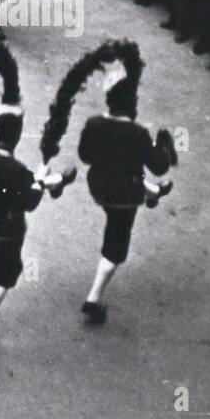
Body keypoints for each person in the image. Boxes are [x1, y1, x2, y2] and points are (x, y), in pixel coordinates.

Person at [0, 105, 75, 346]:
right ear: (18, 135)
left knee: (10, 264)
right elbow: (31, 202)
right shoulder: (17, 171)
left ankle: (58, 181)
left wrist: (37, 180)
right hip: (5, 227)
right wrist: (44, 179)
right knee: (7, 273)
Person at [76, 70, 176, 325]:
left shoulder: (93, 123)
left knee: (128, 168)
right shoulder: (138, 133)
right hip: (123, 195)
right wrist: (164, 146)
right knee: (115, 249)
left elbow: (85, 157)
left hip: (98, 185)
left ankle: (153, 192)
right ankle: (93, 299)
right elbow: (159, 166)